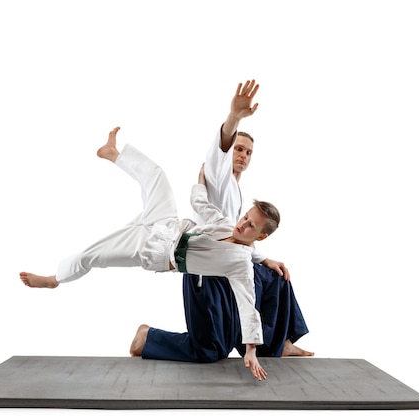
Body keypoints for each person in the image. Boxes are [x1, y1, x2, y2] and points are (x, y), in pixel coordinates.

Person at [19, 126, 284, 381]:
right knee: (157, 175)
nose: (243, 223)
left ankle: (55, 279)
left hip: (153, 251)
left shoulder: (240, 265)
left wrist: (250, 349)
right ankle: (113, 153)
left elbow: (248, 307)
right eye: (246, 217)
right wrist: (200, 183)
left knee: (94, 256)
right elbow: (201, 205)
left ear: (260, 236)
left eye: (250, 225)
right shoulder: (228, 224)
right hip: (166, 224)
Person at [133, 80, 313, 365]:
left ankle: (280, 344)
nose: (242, 154)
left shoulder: (239, 195)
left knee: (276, 280)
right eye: (238, 149)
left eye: (248, 152)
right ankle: (148, 337)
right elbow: (220, 149)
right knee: (211, 350)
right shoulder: (220, 177)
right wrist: (234, 118)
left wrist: (264, 259)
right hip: (206, 270)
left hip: (228, 266)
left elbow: (235, 236)